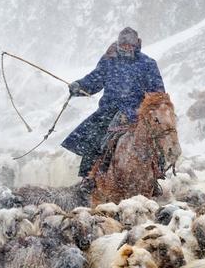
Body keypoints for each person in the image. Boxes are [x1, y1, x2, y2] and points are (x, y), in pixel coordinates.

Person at [61, 27, 166, 177]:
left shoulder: (148, 64)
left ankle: (157, 174)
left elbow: (157, 92)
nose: (127, 48)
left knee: (157, 139)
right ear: (118, 44)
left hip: (138, 113)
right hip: (109, 111)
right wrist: (79, 86)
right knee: (94, 138)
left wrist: (145, 109)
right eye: (124, 45)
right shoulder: (108, 61)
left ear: (137, 45)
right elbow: (94, 80)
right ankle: (89, 177)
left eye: (131, 45)